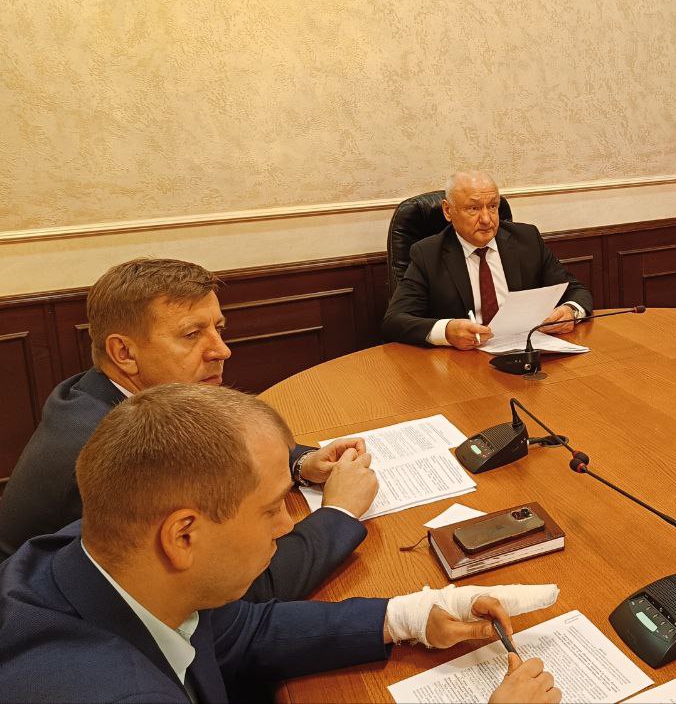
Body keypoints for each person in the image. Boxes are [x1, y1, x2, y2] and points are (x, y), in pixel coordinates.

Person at [0, 385, 560, 703]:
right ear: (183, 535)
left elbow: (237, 630)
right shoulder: (105, 692)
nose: (286, 526)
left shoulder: (98, 554)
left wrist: (410, 617)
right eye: (272, 508)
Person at [0, 258, 377, 602]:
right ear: (124, 354)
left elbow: (221, 435)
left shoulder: (120, 394)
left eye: (218, 329)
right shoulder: (120, 449)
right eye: (192, 334)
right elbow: (240, 591)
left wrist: (302, 464)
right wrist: (340, 511)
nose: (222, 350)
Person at [383, 170, 594, 350]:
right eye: (473, 208)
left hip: (527, 352)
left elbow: (576, 291)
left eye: (492, 206)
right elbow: (395, 320)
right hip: (463, 362)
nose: (486, 219)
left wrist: (570, 311)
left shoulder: (526, 240)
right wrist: (446, 331)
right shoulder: (428, 254)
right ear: (448, 210)